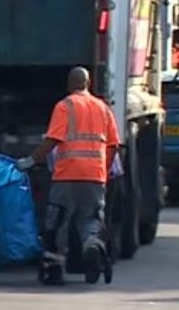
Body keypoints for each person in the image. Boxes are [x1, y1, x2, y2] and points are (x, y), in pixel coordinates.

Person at [16, 66, 120, 285]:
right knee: (90, 219)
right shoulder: (103, 108)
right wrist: (104, 170)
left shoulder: (65, 106)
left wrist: (30, 161)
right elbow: (113, 145)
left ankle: (54, 270)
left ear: (69, 84)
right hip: (95, 176)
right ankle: (93, 246)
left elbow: (53, 139)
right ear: (88, 83)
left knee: (57, 223)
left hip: (67, 176)